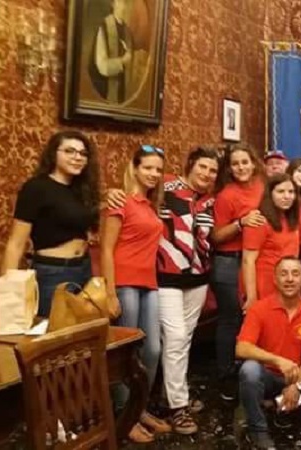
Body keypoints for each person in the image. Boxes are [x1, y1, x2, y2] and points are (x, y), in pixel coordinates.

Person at [108, 147, 220, 434]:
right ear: (190, 166)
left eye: (213, 170)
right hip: (166, 278)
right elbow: (127, 196)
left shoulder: (211, 201)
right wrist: (108, 194)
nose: (207, 174)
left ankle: (169, 396)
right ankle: (177, 407)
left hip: (199, 279)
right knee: (175, 337)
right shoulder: (166, 185)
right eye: (202, 167)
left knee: (182, 341)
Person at [100, 144, 169, 442]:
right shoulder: (121, 201)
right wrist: (110, 292)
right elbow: (106, 249)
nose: (153, 173)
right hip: (124, 281)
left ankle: (138, 408)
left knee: (152, 349)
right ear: (135, 168)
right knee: (126, 354)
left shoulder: (150, 205)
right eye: (148, 167)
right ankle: (124, 417)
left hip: (148, 283)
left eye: (158, 169)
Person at [237, 257, 301, 450]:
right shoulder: (259, 308)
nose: (290, 279)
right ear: (275, 279)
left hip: (297, 374)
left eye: (295, 273)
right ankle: (258, 430)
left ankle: (284, 406)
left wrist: (297, 386)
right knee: (249, 370)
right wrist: (277, 360)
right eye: (283, 274)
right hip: (267, 375)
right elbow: (241, 348)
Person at [2, 130, 100, 318]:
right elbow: (16, 243)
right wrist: (8, 292)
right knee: (51, 330)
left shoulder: (83, 191)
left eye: (83, 153)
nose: (77, 157)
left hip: (83, 268)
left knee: (81, 331)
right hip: (52, 272)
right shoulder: (36, 187)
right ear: (53, 154)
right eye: (69, 151)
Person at [211, 145, 266, 401]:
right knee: (230, 319)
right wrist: (240, 223)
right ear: (229, 168)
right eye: (235, 164)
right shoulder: (226, 195)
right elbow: (216, 236)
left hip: (255, 261)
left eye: (245, 162)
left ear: (253, 163)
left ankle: (251, 372)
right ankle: (225, 377)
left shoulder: (263, 187)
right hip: (229, 263)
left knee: (254, 318)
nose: (241, 167)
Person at [241, 174, 301, 308]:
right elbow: (248, 260)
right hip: (265, 284)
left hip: (288, 282)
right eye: (281, 191)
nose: (287, 196)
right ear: (270, 194)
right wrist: (251, 297)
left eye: (291, 192)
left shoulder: (292, 220)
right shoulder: (259, 220)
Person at [92, 0, 133, 103]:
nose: (123, 7)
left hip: (123, 95)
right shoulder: (104, 26)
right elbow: (102, 66)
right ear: (113, 4)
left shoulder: (127, 31)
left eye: (125, 3)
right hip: (106, 91)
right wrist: (122, 62)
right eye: (120, 2)